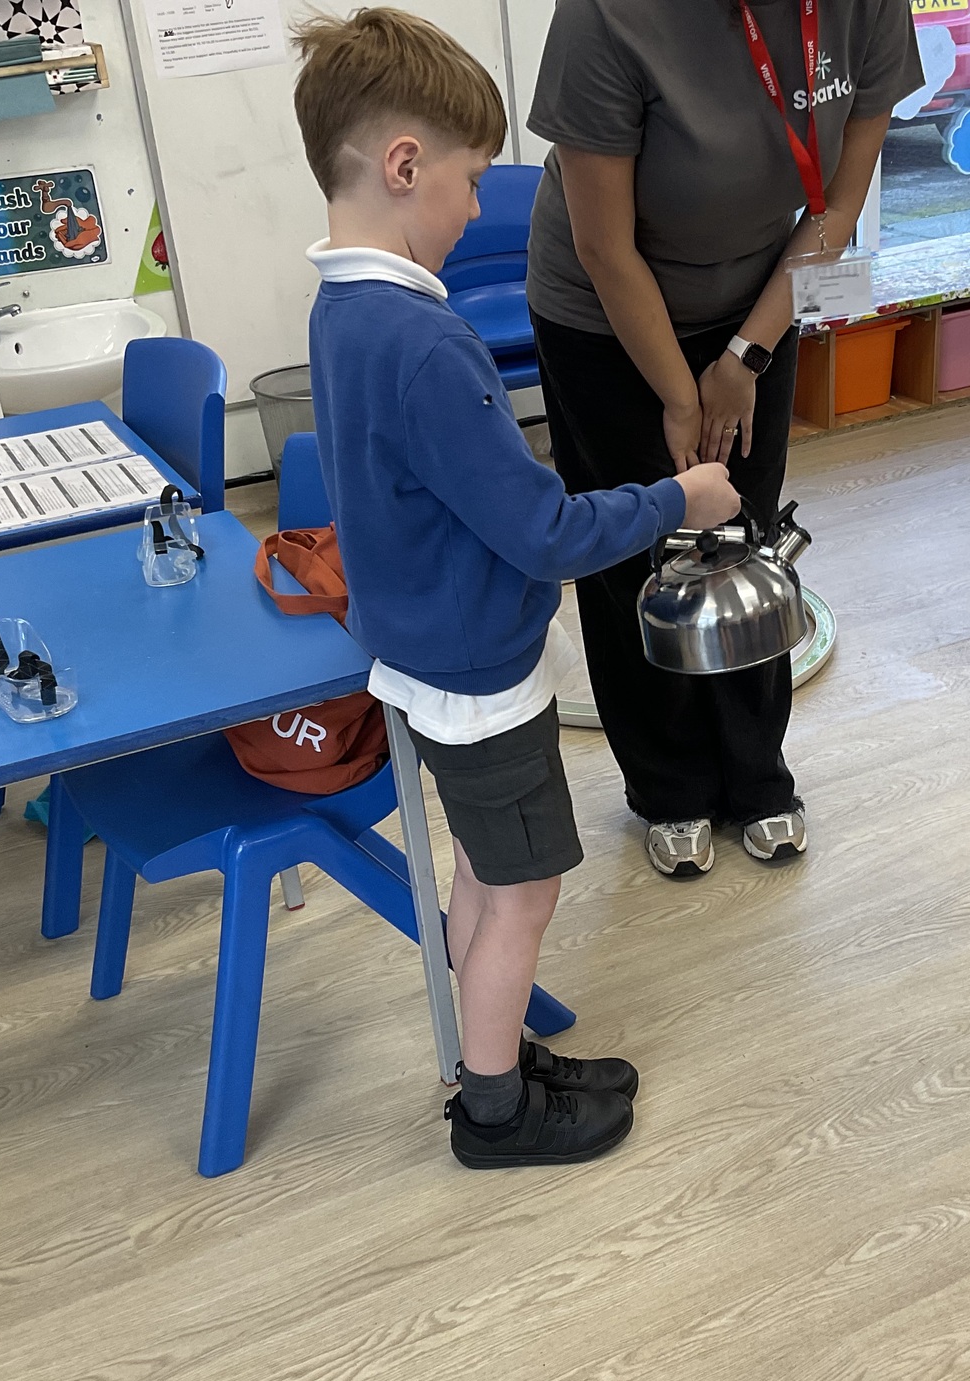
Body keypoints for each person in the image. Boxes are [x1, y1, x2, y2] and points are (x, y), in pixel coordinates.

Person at [291, 10, 742, 1168]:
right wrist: (676, 499)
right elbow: (543, 532)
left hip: (419, 650)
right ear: (404, 166)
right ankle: (492, 1110)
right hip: (479, 677)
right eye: (469, 180)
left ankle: (484, 1052)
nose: (473, 209)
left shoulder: (344, 312)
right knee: (524, 890)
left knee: (481, 876)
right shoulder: (423, 344)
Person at [526, 0, 922, 878]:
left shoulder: (865, 8)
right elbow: (603, 246)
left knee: (747, 539)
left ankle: (755, 772)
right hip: (606, 313)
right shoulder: (609, 17)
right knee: (639, 549)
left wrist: (745, 356)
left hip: (758, 302)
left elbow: (839, 203)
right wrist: (680, 394)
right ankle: (667, 784)